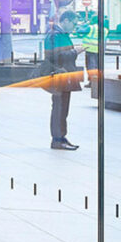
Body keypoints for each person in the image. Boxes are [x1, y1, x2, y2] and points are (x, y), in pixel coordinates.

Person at [44, 11, 82, 150]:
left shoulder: (61, 34)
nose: (74, 27)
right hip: (59, 75)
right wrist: (75, 52)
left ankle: (61, 137)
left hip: (65, 76)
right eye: (73, 23)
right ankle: (57, 139)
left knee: (63, 108)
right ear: (65, 21)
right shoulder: (56, 35)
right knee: (59, 108)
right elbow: (55, 56)